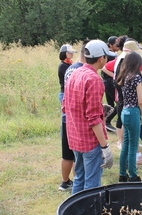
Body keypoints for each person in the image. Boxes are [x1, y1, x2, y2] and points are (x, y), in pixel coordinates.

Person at [103, 40, 142, 175]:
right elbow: (140, 97)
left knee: (127, 142)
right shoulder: (135, 76)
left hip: (124, 108)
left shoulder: (121, 67)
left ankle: (123, 172)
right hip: (134, 110)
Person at [63, 39, 114, 194]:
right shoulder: (94, 79)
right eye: (106, 56)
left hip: (74, 137)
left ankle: (74, 210)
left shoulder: (74, 72)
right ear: (101, 59)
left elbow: (66, 106)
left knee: (79, 178)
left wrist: (100, 108)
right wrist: (105, 146)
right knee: (92, 184)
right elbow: (93, 119)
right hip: (89, 141)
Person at [116, 52, 142, 182]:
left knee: (125, 144)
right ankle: (133, 175)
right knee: (133, 145)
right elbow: (140, 100)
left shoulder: (124, 77)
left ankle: (122, 173)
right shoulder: (137, 78)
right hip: (133, 112)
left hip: (124, 112)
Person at [58, 44, 77, 191]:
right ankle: (70, 180)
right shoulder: (64, 67)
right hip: (66, 96)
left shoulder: (68, 65)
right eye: (69, 53)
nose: (71, 55)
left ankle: (72, 180)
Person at [101, 36, 119, 133]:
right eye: (116, 44)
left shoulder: (106, 53)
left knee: (110, 105)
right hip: (110, 81)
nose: (118, 46)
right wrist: (115, 76)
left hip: (106, 81)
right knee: (120, 102)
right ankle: (107, 121)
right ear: (111, 45)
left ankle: (106, 122)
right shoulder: (111, 55)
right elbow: (104, 68)